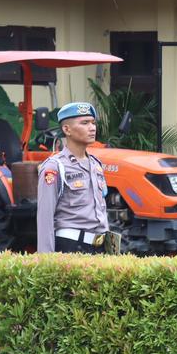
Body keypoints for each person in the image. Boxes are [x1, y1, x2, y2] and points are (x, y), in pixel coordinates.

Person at [36, 102, 109, 255]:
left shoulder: (96, 165)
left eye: (93, 122)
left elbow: (102, 210)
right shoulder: (55, 167)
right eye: (85, 123)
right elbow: (45, 217)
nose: (92, 128)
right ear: (67, 129)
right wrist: (46, 259)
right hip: (71, 247)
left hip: (99, 247)